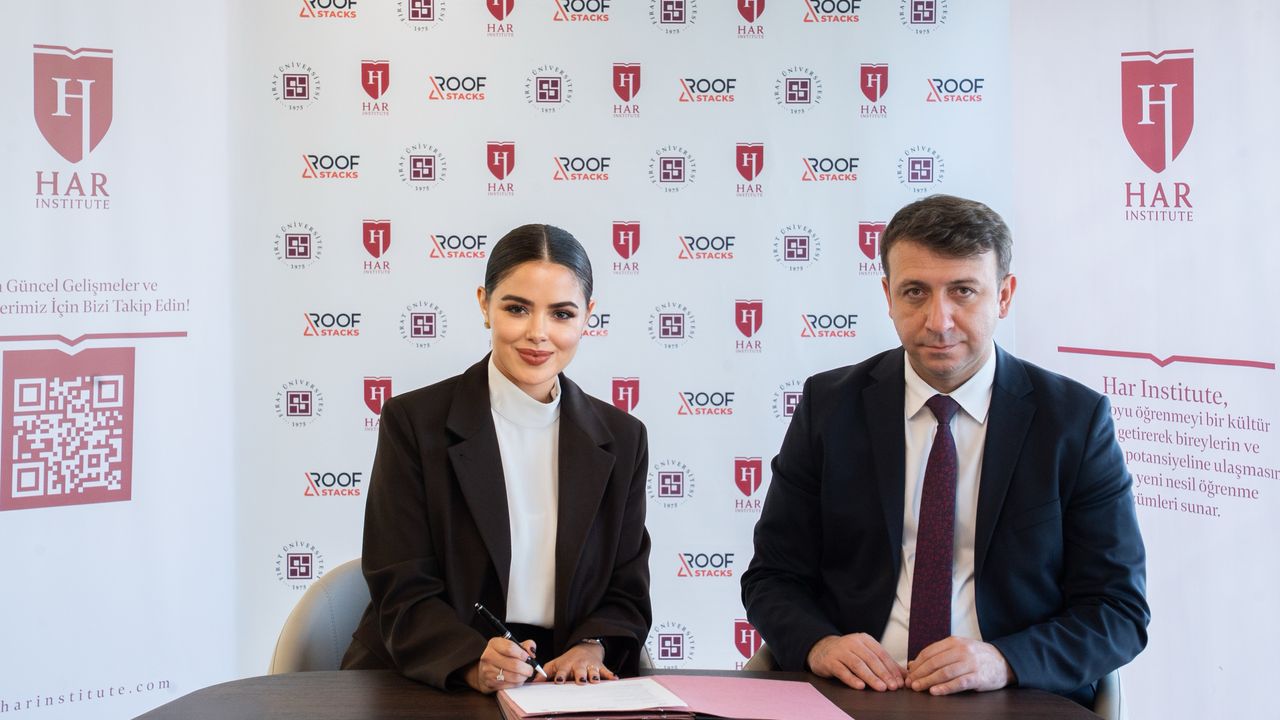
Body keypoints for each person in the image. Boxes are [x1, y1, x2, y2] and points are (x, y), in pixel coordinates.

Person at [740, 195, 1148, 707]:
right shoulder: (830, 406)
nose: (939, 320)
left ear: (1004, 296)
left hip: (1013, 694)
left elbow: (1117, 610)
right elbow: (773, 577)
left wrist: (1005, 661)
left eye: (963, 291)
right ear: (888, 296)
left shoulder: (1074, 422)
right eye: (915, 292)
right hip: (857, 690)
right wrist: (819, 645)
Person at [342, 224, 651, 693]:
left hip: (560, 684)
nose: (538, 334)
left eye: (561, 314)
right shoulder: (413, 422)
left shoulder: (624, 438)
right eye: (517, 308)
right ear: (485, 305)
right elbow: (400, 584)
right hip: (430, 675)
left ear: (588, 316)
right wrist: (470, 659)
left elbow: (627, 589)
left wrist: (594, 645)